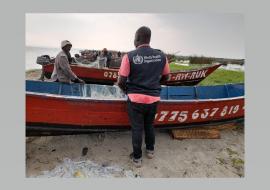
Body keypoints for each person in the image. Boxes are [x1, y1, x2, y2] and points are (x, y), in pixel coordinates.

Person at [117, 26, 170, 168]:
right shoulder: (161, 56)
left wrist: (128, 91)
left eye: (134, 37)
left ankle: (137, 158)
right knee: (149, 125)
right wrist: (154, 85)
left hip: (135, 100)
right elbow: (167, 78)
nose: (133, 40)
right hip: (153, 99)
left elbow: (121, 82)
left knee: (137, 129)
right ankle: (150, 151)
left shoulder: (129, 56)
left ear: (138, 38)